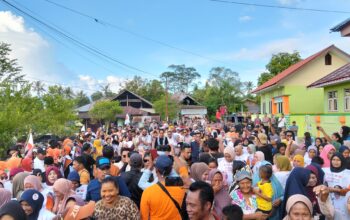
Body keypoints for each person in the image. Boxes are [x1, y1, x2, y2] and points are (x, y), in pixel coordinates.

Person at [140, 155, 189, 220]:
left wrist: (149, 167)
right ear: (171, 169)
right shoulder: (180, 184)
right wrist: (175, 156)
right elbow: (183, 169)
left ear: (156, 170)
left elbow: (144, 217)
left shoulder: (148, 192)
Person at [323, 152, 350, 219]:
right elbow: (324, 185)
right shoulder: (326, 172)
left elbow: (348, 190)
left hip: (344, 202)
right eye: (334, 159)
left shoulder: (347, 173)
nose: (335, 162)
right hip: (330, 201)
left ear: (342, 161)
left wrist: (334, 189)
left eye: (338, 160)